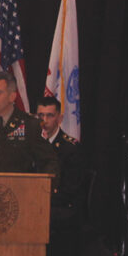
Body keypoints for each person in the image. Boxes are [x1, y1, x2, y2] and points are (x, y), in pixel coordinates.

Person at [36, 97, 89, 230]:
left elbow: (70, 190)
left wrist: (39, 200)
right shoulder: (32, 144)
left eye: (50, 115)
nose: (45, 121)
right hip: (36, 203)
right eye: (41, 115)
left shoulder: (70, 148)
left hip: (61, 208)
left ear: (59, 119)